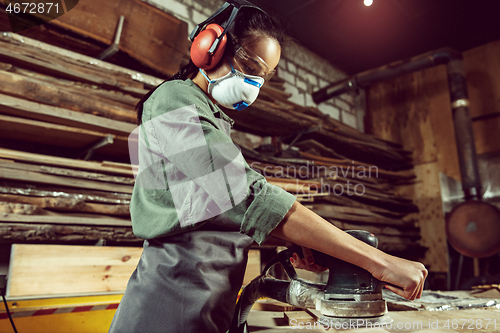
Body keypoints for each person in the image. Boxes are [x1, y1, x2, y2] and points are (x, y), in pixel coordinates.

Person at [108, 1, 427, 332]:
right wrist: (380, 262)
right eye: (250, 65)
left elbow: (213, 215)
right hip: (166, 310)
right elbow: (247, 198)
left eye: (263, 76)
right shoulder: (172, 102)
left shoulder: (214, 121)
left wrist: (295, 240)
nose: (253, 83)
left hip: (206, 308)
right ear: (210, 47)